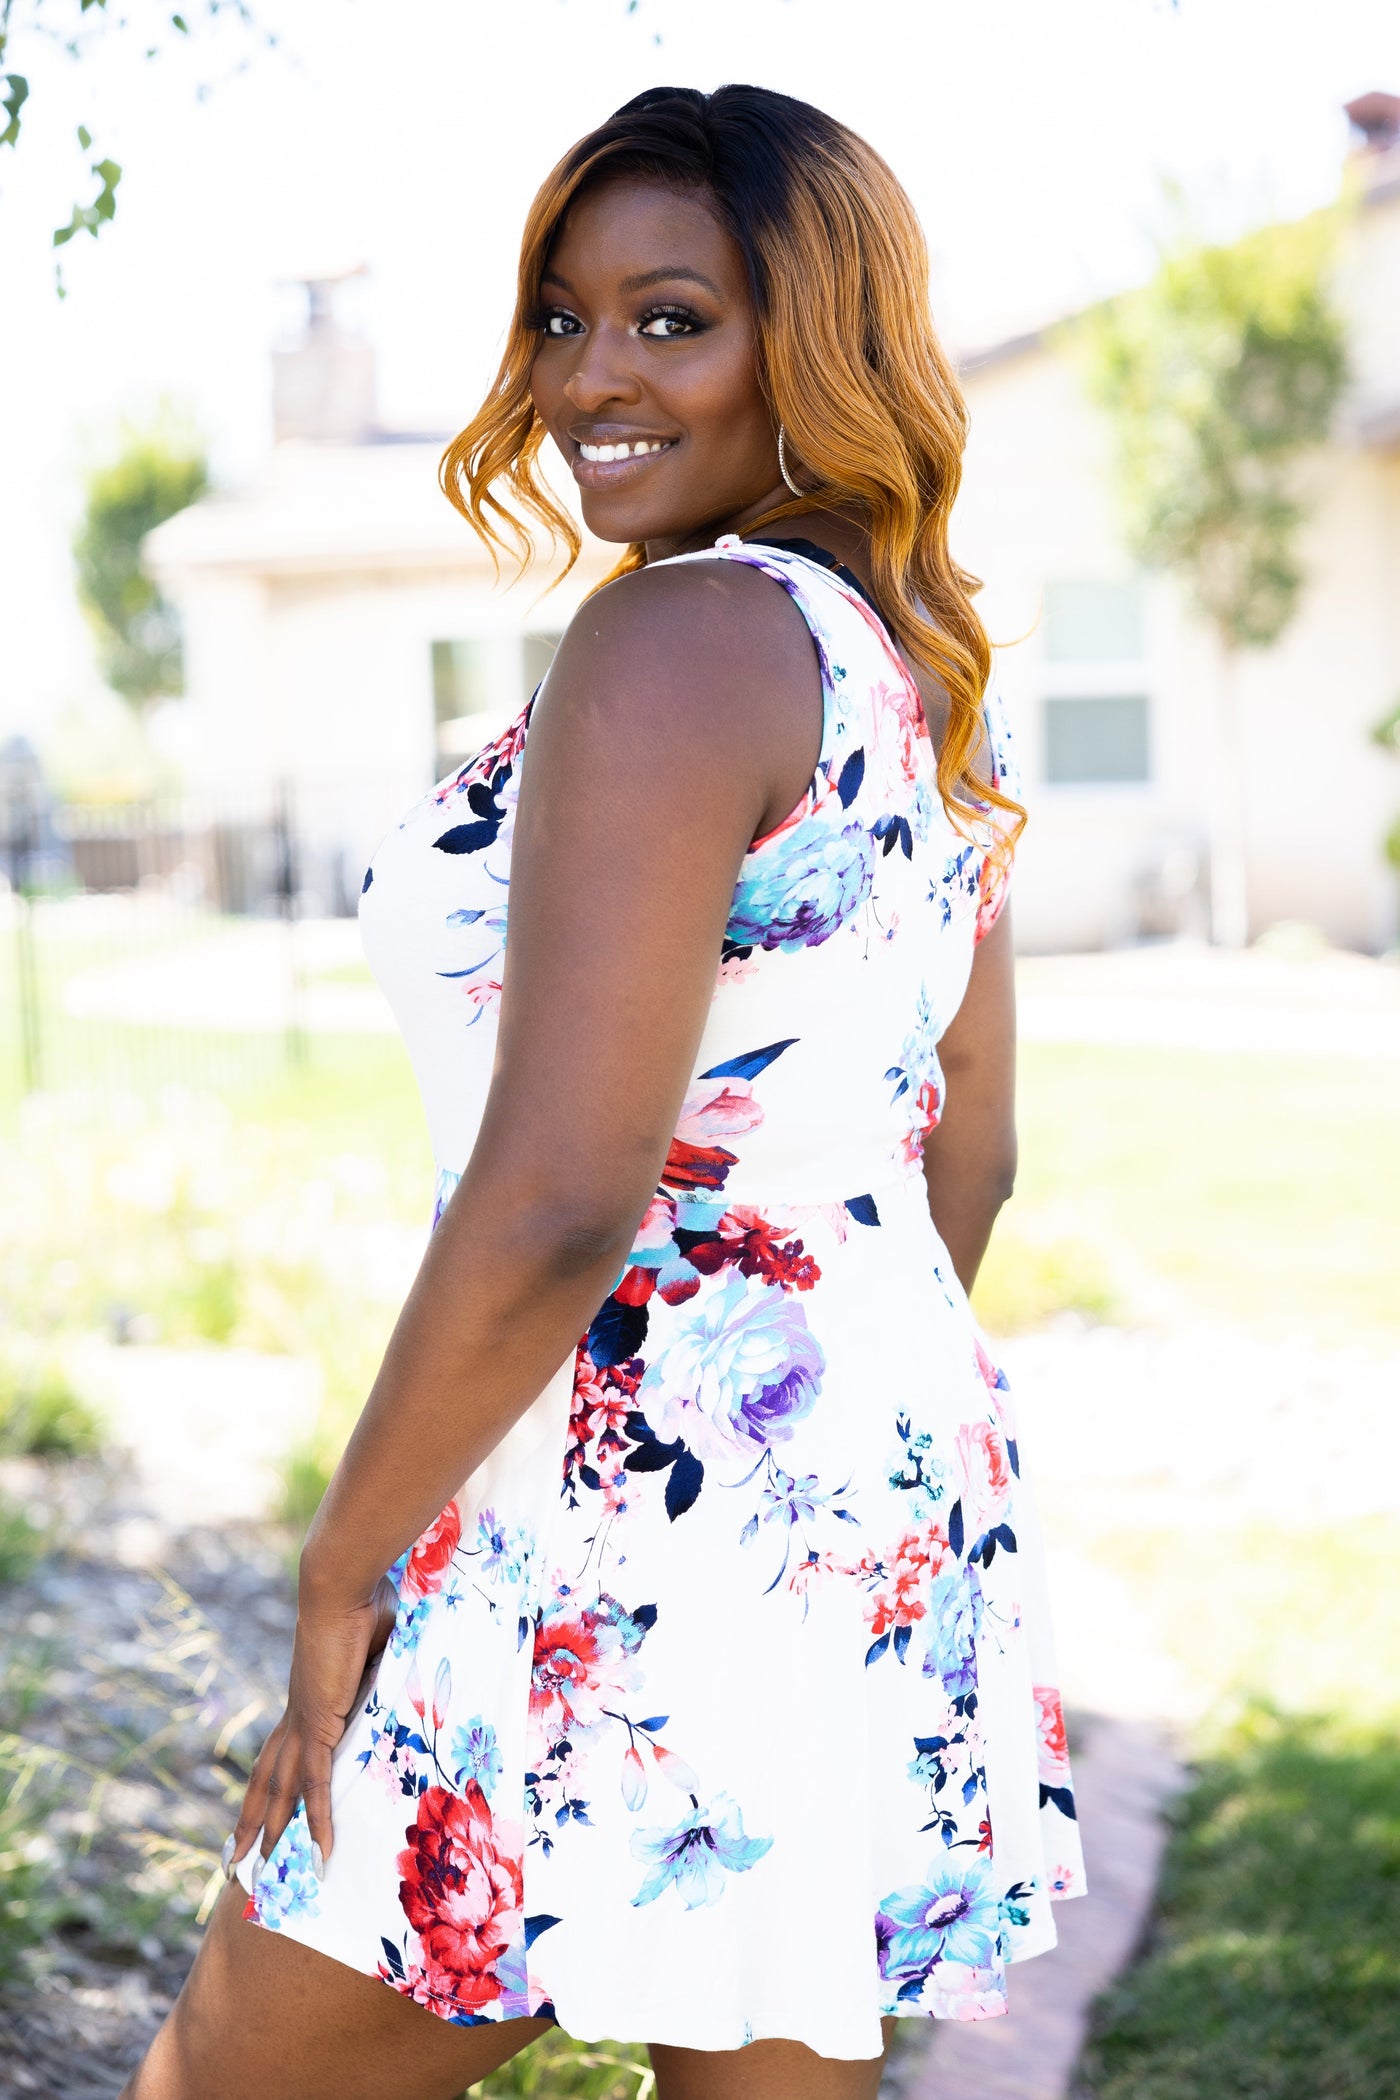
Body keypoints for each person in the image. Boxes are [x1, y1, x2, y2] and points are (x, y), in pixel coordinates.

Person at [124, 82, 1084, 2100]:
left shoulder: (678, 645)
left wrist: (340, 1569)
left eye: (670, 318)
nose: (587, 380)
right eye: (561, 319)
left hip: (599, 1506)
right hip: (854, 1504)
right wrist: (818, 1472)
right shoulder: (914, 672)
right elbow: (963, 1158)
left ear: (809, 340)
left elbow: (563, 1188)